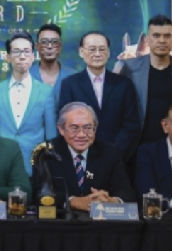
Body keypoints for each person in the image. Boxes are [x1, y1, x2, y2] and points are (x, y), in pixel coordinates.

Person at [118, 14, 172, 149]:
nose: (162, 40)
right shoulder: (130, 68)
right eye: (156, 36)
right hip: (139, 147)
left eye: (167, 36)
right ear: (147, 40)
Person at [38, 102, 136, 212]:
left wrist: (111, 201)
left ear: (95, 128)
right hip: (62, 220)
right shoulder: (46, 153)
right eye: (74, 128)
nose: (81, 135)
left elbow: (126, 192)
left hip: (99, 220)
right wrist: (72, 201)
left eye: (88, 128)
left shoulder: (109, 152)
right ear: (61, 129)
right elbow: (38, 193)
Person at [58, 31, 141, 159]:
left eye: (102, 49)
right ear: (81, 52)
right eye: (92, 49)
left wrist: (112, 154)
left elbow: (131, 125)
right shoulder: (70, 84)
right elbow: (66, 123)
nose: (97, 54)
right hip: (81, 158)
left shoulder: (123, 84)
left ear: (108, 53)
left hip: (118, 158)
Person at [0, 33, 57, 176]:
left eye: (26, 51)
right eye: (16, 51)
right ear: (8, 57)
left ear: (33, 56)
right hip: (3, 165)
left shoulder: (46, 92)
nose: (22, 56)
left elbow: (51, 135)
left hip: (36, 166)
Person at [30, 23, 76, 101]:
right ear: (37, 47)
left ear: (60, 47)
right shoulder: (27, 76)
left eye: (54, 42)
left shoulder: (73, 77)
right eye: (44, 42)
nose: (49, 46)